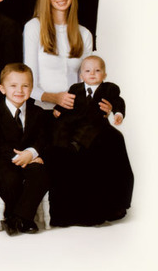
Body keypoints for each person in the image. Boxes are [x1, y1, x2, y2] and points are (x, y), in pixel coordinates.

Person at [49, 55, 133, 226]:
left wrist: (117, 113)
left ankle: (77, 144)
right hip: (75, 125)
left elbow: (118, 101)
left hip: (97, 126)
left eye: (97, 71)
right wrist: (57, 109)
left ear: (105, 74)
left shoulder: (109, 88)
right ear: (81, 75)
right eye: (88, 71)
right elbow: (66, 103)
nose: (92, 74)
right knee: (62, 125)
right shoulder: (75, 88)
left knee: (96, 124)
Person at [0, 63, 50, 236]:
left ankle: (17, 218)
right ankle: (24, 218)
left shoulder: (38, 112)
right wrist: (20, 157)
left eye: (25, 86)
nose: (19, 90)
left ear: (31, 88)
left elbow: (42, 138)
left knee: (41, 173)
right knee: (9, 179)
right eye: (13, 85)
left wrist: (32, 153)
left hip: (31, 158)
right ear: (2, 88)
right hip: (4, 160)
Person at [23, 0, 92, 111]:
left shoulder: (85, 34)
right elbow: (28, 85)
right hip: (41, 111)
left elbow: (88, 83)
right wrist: (55, 98)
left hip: (74, 112)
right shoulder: (33, 27)